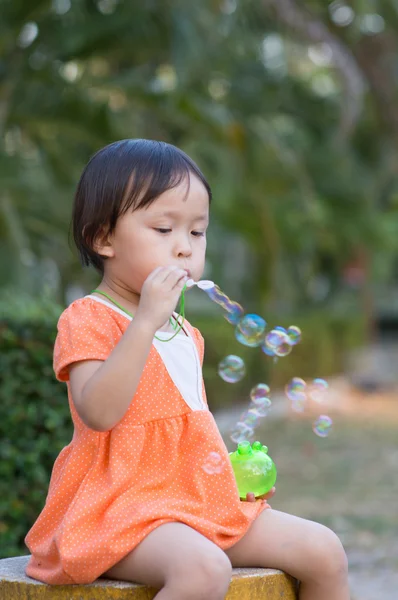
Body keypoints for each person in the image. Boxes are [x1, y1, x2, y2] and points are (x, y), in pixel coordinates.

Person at [25, 139, 349, 599]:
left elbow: (184, 427)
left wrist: (230, 474)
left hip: (195, 499)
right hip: (122, 507)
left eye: (197, 233)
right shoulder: (89, 317)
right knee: (203, 570)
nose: (184, 248)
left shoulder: (184, 330)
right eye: (163, 228)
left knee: (325, 550)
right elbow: (98, 412)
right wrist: (144, 324)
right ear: (103, 238)